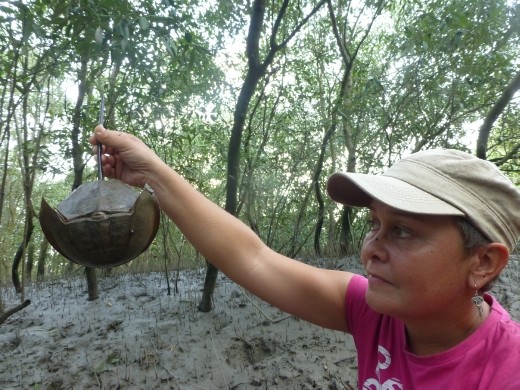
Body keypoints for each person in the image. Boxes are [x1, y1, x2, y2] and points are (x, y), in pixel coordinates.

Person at [91, 125, 520, 389]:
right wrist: (151, 173)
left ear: (483, 262)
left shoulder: (507, 373)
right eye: (375, 224)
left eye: (404, 231)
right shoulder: (376, 313)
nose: (370, 248)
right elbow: (253, 258)